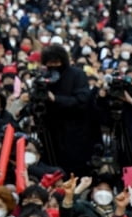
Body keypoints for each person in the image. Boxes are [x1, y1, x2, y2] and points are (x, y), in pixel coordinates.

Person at [37, 44, 99, 176]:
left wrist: (56, 99)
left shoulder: (77, 75)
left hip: (75, 132)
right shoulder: (44, 77)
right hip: (51, 132)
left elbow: (82, 101)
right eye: (49, 62)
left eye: (56, 62)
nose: (53, 65)